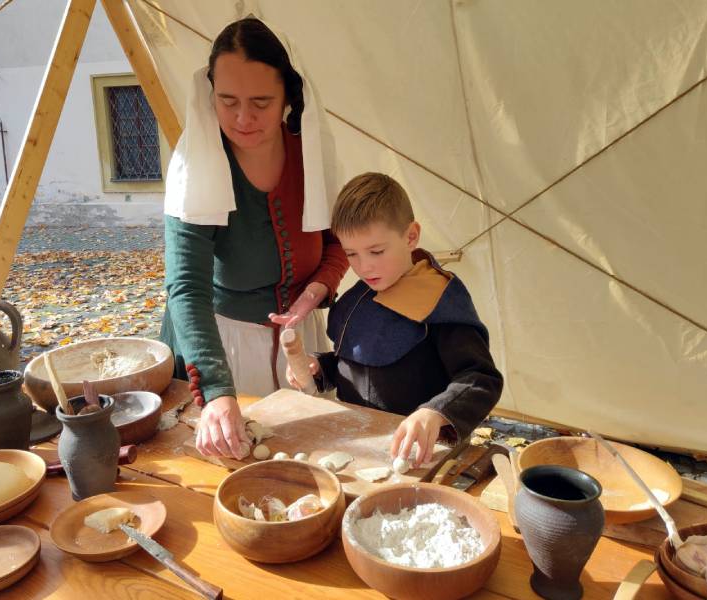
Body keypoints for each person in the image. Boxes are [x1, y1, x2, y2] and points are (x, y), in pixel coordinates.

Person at [161, 18, 348, 459]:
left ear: (288, 96)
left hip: (303, 341)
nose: (243, 118)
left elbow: (339, 242)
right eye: (228, 101)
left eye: (261, 102)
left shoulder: (312, 152)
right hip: (222, 343)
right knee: (239, 467)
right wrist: (217, 389)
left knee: (309, 463)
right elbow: (186, 287)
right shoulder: (198, 165)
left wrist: (314, 292)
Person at [286, 172, 504, 467]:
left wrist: (436, 412)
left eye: (376, 251)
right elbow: (355, 365)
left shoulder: (438, 298)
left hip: (419, 458)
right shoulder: (361, 295)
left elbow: (480, 379)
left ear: (411, 236)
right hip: (360, 449)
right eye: (352, 254)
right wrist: (321, 367)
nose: (364, 267)